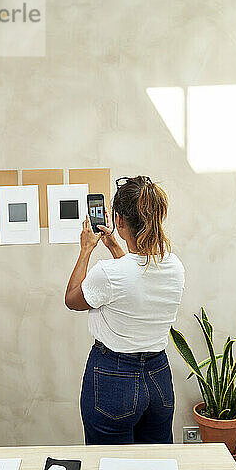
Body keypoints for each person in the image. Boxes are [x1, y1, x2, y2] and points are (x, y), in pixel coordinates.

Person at [65, 176, 185, 444]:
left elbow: (72, 299)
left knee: (108, 466)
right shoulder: (174, 266)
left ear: (118, 220)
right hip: (158, 378)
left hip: (113, 378)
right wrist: (113, 245)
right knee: (156, 468)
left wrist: (87, 249)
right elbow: (134, 279)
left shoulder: (109, 274)